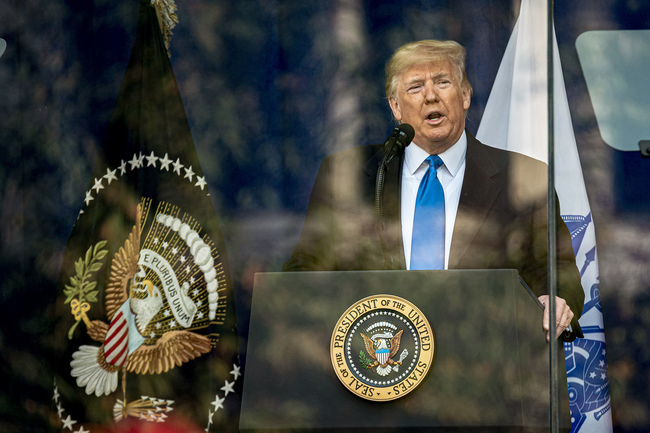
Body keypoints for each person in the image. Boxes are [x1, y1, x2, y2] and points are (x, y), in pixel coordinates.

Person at [282, 39, 584, 341]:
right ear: (396, 107)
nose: (430, 97)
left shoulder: (523, 176)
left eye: (443, 82)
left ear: (465, 95)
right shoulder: (346, 174)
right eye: (415, 87)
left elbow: (556, 269)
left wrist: (552, 298)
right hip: (378, 363)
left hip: (487, 358)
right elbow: (307, 268)